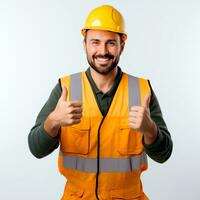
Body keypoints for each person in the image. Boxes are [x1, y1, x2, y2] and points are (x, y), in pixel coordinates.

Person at [28, 5, 173, 200]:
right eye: (95, 42)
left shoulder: (141, 90)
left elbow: (164, 155)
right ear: (84, 44)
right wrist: (53, 121)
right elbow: (36, 149)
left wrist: (150, 130)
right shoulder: (66, 89)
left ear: (122, 44)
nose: (102, 51)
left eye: (111, 43)